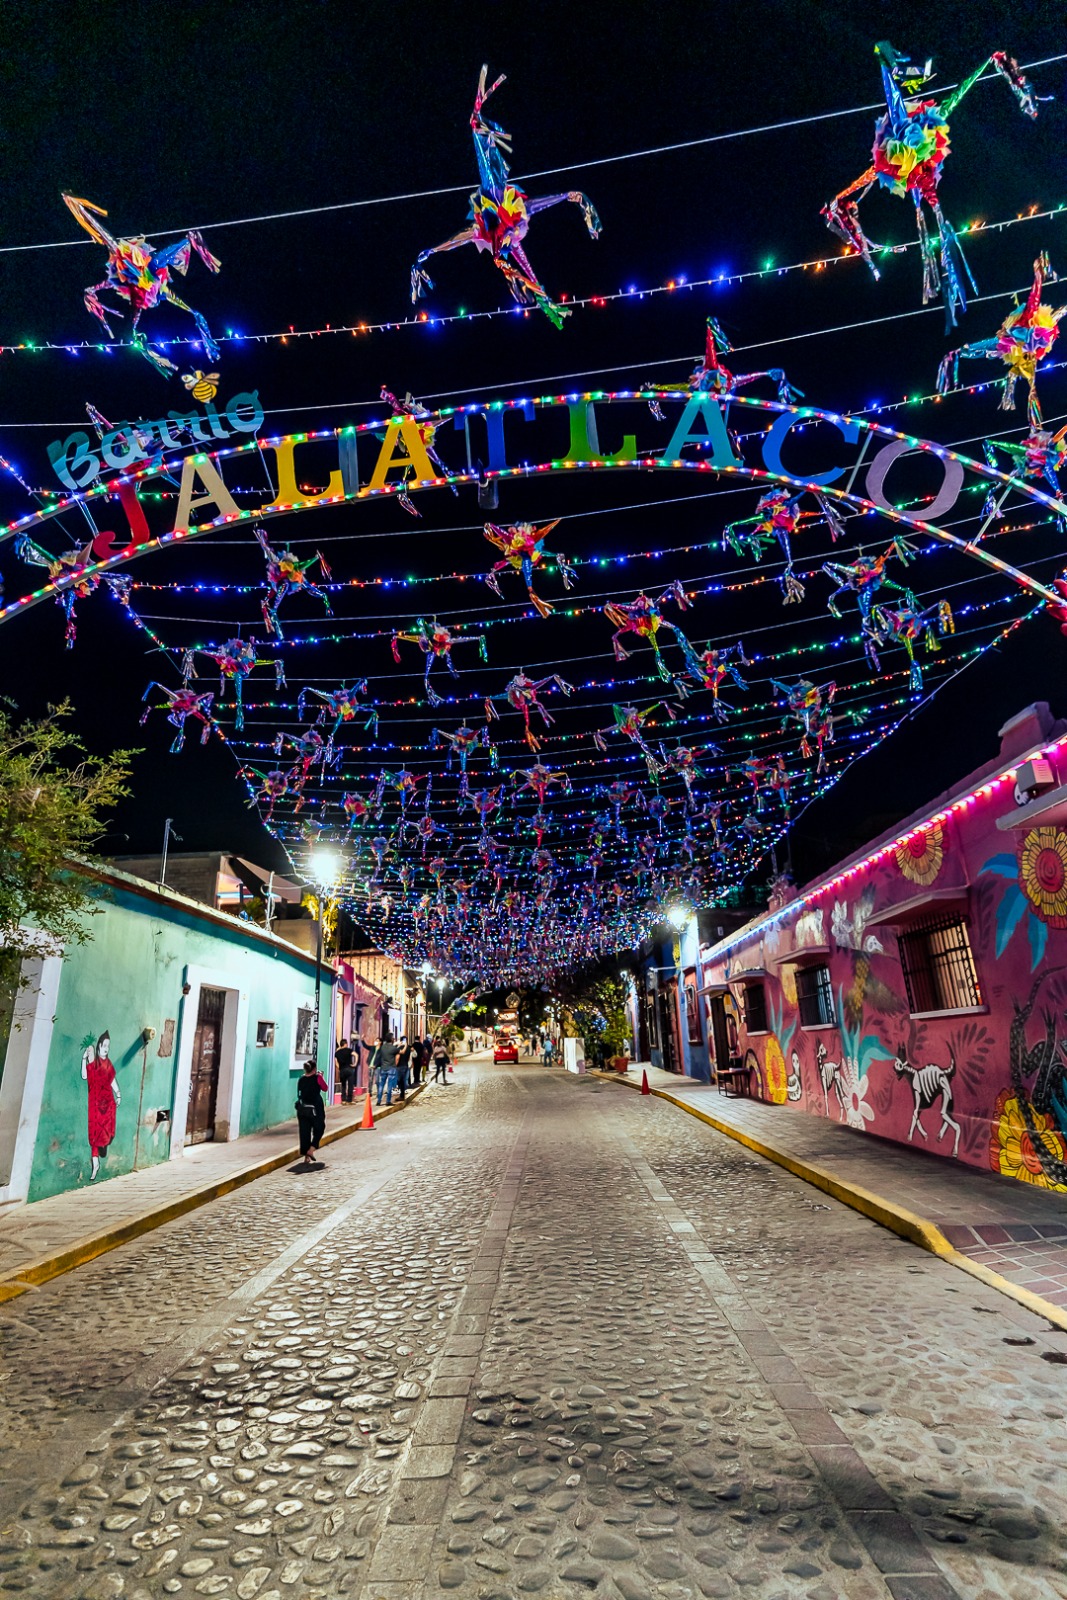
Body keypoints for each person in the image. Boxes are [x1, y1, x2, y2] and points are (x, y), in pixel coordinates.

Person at [82, 1030, 120, 1181]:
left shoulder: (108, 1064)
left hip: (107, 1102)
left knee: (105, 1131)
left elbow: (112, 1080)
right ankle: (95, 1164)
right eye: (104, 1045)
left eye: (108, 1046)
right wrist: (83, 1058)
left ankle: (103, 1145)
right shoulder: (93, 1062)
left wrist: (118, 1094)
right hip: (95, 1102)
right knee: (94, 1133)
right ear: (98, 1046)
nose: (106, 1048)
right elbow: (85, 1075)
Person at [296, 1059, 328, 1164]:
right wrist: (321, 1077)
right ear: (314, 1069)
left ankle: (306, 1157)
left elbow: (300, 1093)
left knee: (305, 1132)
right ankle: (311, 1149)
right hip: (315, 1109)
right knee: (319, 1128)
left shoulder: (301, 1079)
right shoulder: (317, 1078)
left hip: (303, 1109)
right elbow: (325, 1088)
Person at [375, 1033, 399, 1106]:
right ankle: (388, 1101)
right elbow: (400, 1053)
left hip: (383, 1068)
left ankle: (379, 1101)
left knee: (381, 1084)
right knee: (389, 1085)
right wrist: (402, 1046)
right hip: (391, 1068)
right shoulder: (393, 1048)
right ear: (391, 1039)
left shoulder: (382, 1047)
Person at [334, 1038, 356, 1104]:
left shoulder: (337, 1053)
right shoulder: (349, 1050)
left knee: (343, 1085)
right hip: (349, 1069)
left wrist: (339, 1067)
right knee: (350, 1084)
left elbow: (335, 1062)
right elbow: (356, 1055)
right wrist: (354, 1063)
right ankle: (349, 1100)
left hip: (342, 1070)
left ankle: (343, 1099)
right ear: (345, 1044)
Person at [395, 1035, 411, 1101]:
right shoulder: (408, 1048)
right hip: (405, 1065)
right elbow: (409, 1058)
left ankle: (401, 1095)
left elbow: (397, 1058)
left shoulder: (399, 1048)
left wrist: (395, 1065)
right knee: (403, 1080)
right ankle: (402, 1095)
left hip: (399, 1066)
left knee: (399, 1081)